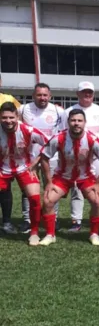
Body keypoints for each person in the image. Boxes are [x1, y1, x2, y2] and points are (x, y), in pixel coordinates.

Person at [37, 108, 99, 246]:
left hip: (86, 177)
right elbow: (44, 157)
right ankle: (50, 234)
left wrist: (98, 182)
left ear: (84, 123)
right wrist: (48, 181)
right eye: (73, 120)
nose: (76, 123)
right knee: (47, 201)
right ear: (68, 122)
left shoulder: (92, 139)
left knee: (97, 201)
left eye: (79, 120)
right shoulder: (58, 138)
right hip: (63, 177)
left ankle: (94, 234)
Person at [17, 83, 64, 234]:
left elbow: (62, 135)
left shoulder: (58, 111)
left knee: (51, 187)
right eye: (39, 95)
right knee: (28, 190)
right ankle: (27, 220)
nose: (42, 98)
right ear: (33, 96)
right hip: (28, 158)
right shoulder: (23, 109)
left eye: (45, 95)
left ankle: (53, 218)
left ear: (49, 96)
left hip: (51, 157)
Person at [67, 81, 99, 232]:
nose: (87, 95)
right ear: (77, 94)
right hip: (76, 158)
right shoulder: (69, 111)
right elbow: (63, 134)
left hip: (97, 157)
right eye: (84, 92)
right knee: (76, 189)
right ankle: (76, 220)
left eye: (90, 92)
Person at [0, 102, 45, 245]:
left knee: (35, 198)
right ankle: (6, 223)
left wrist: (36, 162)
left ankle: (34, 233)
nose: (8, 121)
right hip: (2, 168)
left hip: (24, 167)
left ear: (17, 116)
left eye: (11, 117)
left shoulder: (27, 130)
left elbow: (49, 143)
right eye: (4, 118)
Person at [0, 74, 22, 233]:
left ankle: (6, 221)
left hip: (7, 149)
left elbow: (20, 116)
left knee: (4, 187)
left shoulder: (8, 98)